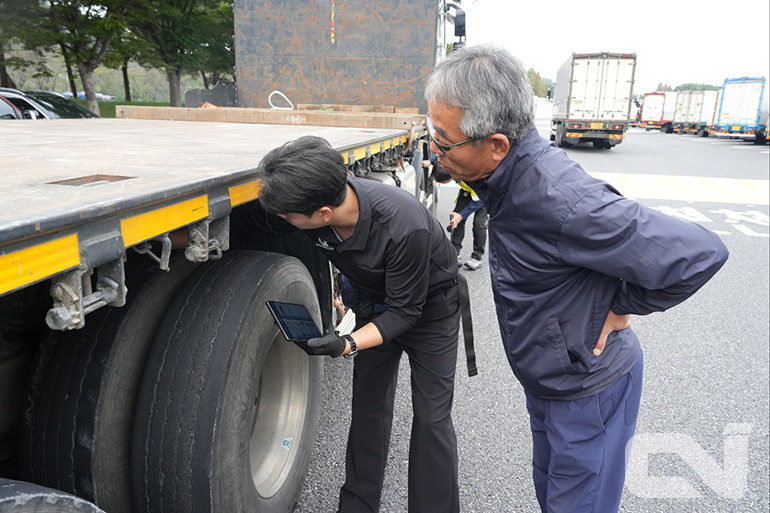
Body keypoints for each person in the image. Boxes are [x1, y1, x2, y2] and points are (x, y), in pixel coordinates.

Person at [423, 45, 729, 513]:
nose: (436, 149)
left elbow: (699, 252)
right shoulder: (505, 175)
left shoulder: (561, 200)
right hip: (551, 380)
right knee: (553, 496)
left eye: (444, 141)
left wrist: (621, 306)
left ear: (497, 144)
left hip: (589, 390)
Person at [229, 135, 461, 513]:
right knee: (368, 409)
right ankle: (357, 505)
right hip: (373, 303)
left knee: (432, 419)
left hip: (429, 311)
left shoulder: (403, 226)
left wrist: (347, 344)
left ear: (322, 214)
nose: (285, 221)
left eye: (289, 217)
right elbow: (260, 223)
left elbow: (406, 312)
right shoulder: (315, 204)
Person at [423, 156, 489, 270]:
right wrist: (430, 161)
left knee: (479, 224)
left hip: (483, 194)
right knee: (455, 218)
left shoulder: (469, 176)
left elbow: (478, 201)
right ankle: (455, 253)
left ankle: (477, 257)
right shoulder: (450, 164)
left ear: (450, 178)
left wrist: (462, 215)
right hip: (468, 192)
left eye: (443, 182)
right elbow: (442, 154)